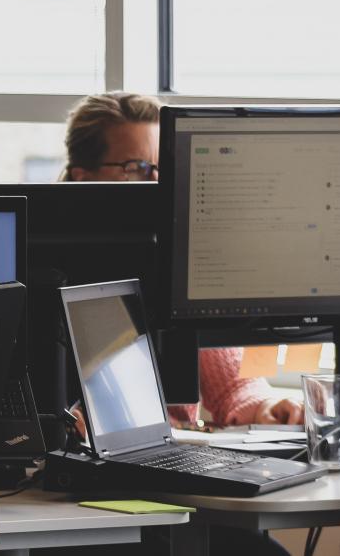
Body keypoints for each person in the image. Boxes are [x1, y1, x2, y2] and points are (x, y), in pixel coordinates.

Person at [62, 92, 303, 428]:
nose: (160, 184)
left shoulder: (180, 259)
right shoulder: (47, 268)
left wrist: (267, 405)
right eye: (139, 169)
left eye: (166, 168)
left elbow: (233, 384)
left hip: (168, 461)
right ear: (83, 178)